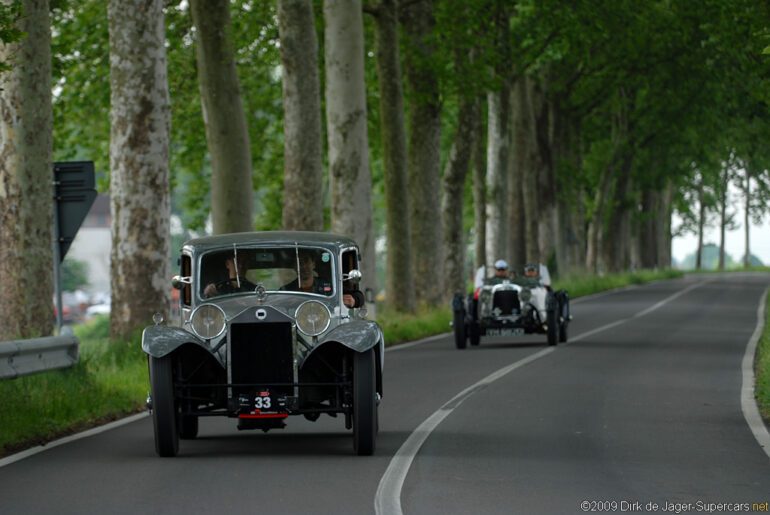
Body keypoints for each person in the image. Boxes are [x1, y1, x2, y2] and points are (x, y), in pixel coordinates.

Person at [282, 252, 360, 308]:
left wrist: (353, 300)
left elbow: (358, 296)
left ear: (313, 264)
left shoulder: (329, 285)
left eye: (306, 261)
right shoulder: (286, 290)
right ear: (294, 267)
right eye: (299, 263)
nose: (303, 266)